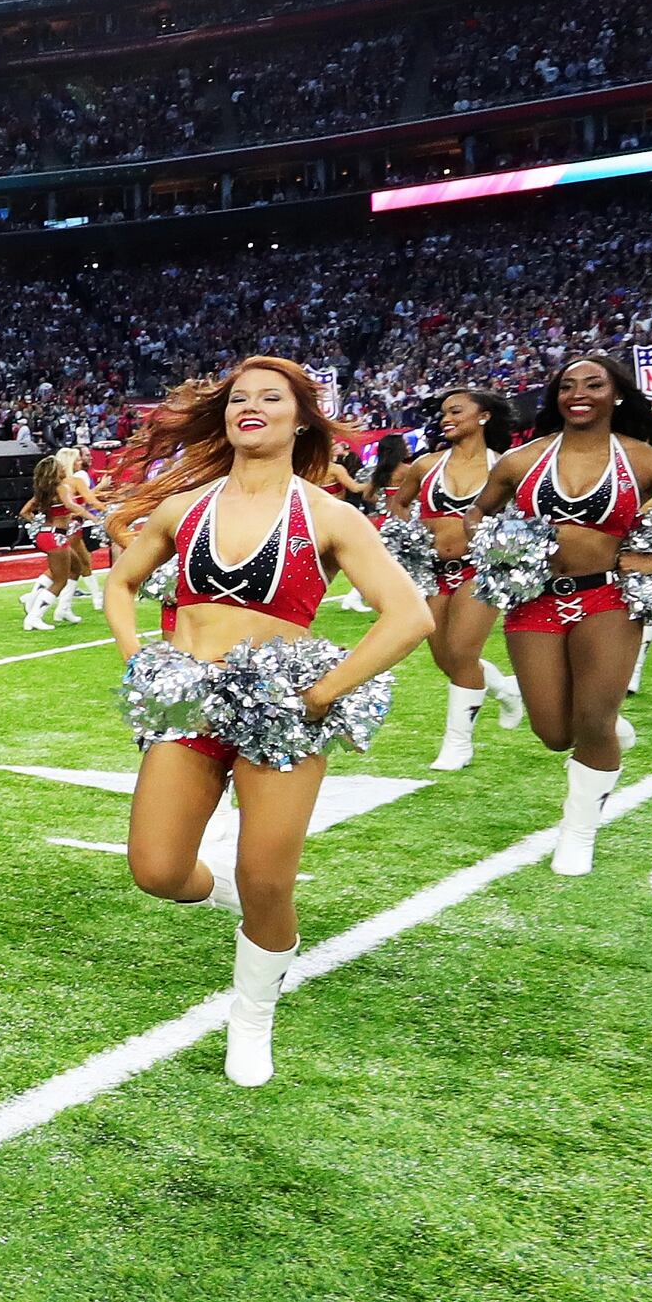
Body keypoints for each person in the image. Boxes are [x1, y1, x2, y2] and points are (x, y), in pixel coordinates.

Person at [100, 357, 433, 1085]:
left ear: (300, 417)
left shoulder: (328, 513)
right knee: (156, 870)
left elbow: (409, 614)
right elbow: (121, 582)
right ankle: (225, 890)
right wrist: (138, 661)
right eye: (239, 398)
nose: (251, 406)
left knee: (269, 879)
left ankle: (251, 1017)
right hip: (191, 700)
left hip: (282, 711)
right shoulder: (184, 507)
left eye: (270, 397)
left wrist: (321, 694)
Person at [470, 355, 652, 862]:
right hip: (533, 602)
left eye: (593, 384)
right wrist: (496, 546)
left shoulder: (647, 459)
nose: (578, 393)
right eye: (567, 386)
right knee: (554, 734)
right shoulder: (522, 460)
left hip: (607, 598)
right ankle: (605, 727)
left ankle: (578, 833)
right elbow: (478, 512)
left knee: (594, 723)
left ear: (617, 394)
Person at [390, 387, 525, 770]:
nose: (446, 419)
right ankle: (503, 687)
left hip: (479, 570)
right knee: (446, 659)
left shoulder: (506, 466)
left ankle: (458, 743)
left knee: (464, 652)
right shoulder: (426, 465)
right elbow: (399, 502)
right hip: (432, 570)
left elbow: (527, 513)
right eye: (444, 413)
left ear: (483, 417)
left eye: (456, 412)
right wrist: (410, 536)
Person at [16, 449, 92, 629]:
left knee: (77, 567)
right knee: (60, 580)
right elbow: (70, 505)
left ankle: (62, 608)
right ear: (54, 472)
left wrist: (38, 522)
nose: (63, 468)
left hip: (47, 534)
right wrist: (91, 516)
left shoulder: (43, 493)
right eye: (59, 467)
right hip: (56, 536)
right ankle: (34, 616)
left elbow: (24, 512)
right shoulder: (61, 487)